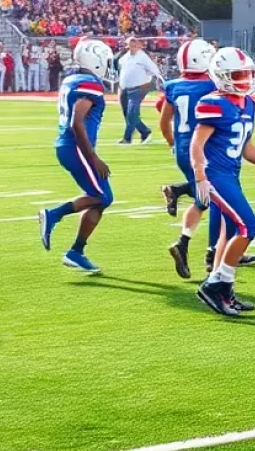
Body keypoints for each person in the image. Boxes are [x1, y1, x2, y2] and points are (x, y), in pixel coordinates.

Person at [192, 48, 255, 316]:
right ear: (220, 76)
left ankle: (222, 292)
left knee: (228, 233)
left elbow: (246, 146)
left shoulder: (249, 103)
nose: (243, 79)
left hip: (232, 174)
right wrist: (200, 176)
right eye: (237, 75)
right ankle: (217, 284)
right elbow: (197, 144)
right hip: (216, 176)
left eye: (246, 74)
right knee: (248, 226)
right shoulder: (212, 102)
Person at [38, 39, 116, 273]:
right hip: (76, 148)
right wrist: (92, 156)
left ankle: (76, 252)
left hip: (69, 147)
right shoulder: (89, 84)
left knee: (101, 198)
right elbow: (76, 122)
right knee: (102, 195)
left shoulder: (72, 79)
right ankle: (53, 215)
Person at [161, 39, 217, 279]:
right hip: (205, 150)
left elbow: (163, 121)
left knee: (204, 197)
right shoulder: (211, 85)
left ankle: (219, 247)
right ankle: (209, 251)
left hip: (182, 149)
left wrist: (174, 144)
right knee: (214, 201)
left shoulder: (173, 86)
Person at [117, 36, 162, 144]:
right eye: (130, 43)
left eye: (134, 43)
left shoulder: (142, 57)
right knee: (127, 113)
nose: (132, 45)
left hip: (138, 88)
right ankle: (144, 131)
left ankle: (127, 138)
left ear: (138, 45)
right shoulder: (123, 58)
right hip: (124, 88)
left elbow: (154, 70)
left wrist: (148, 79)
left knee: (132, 112)